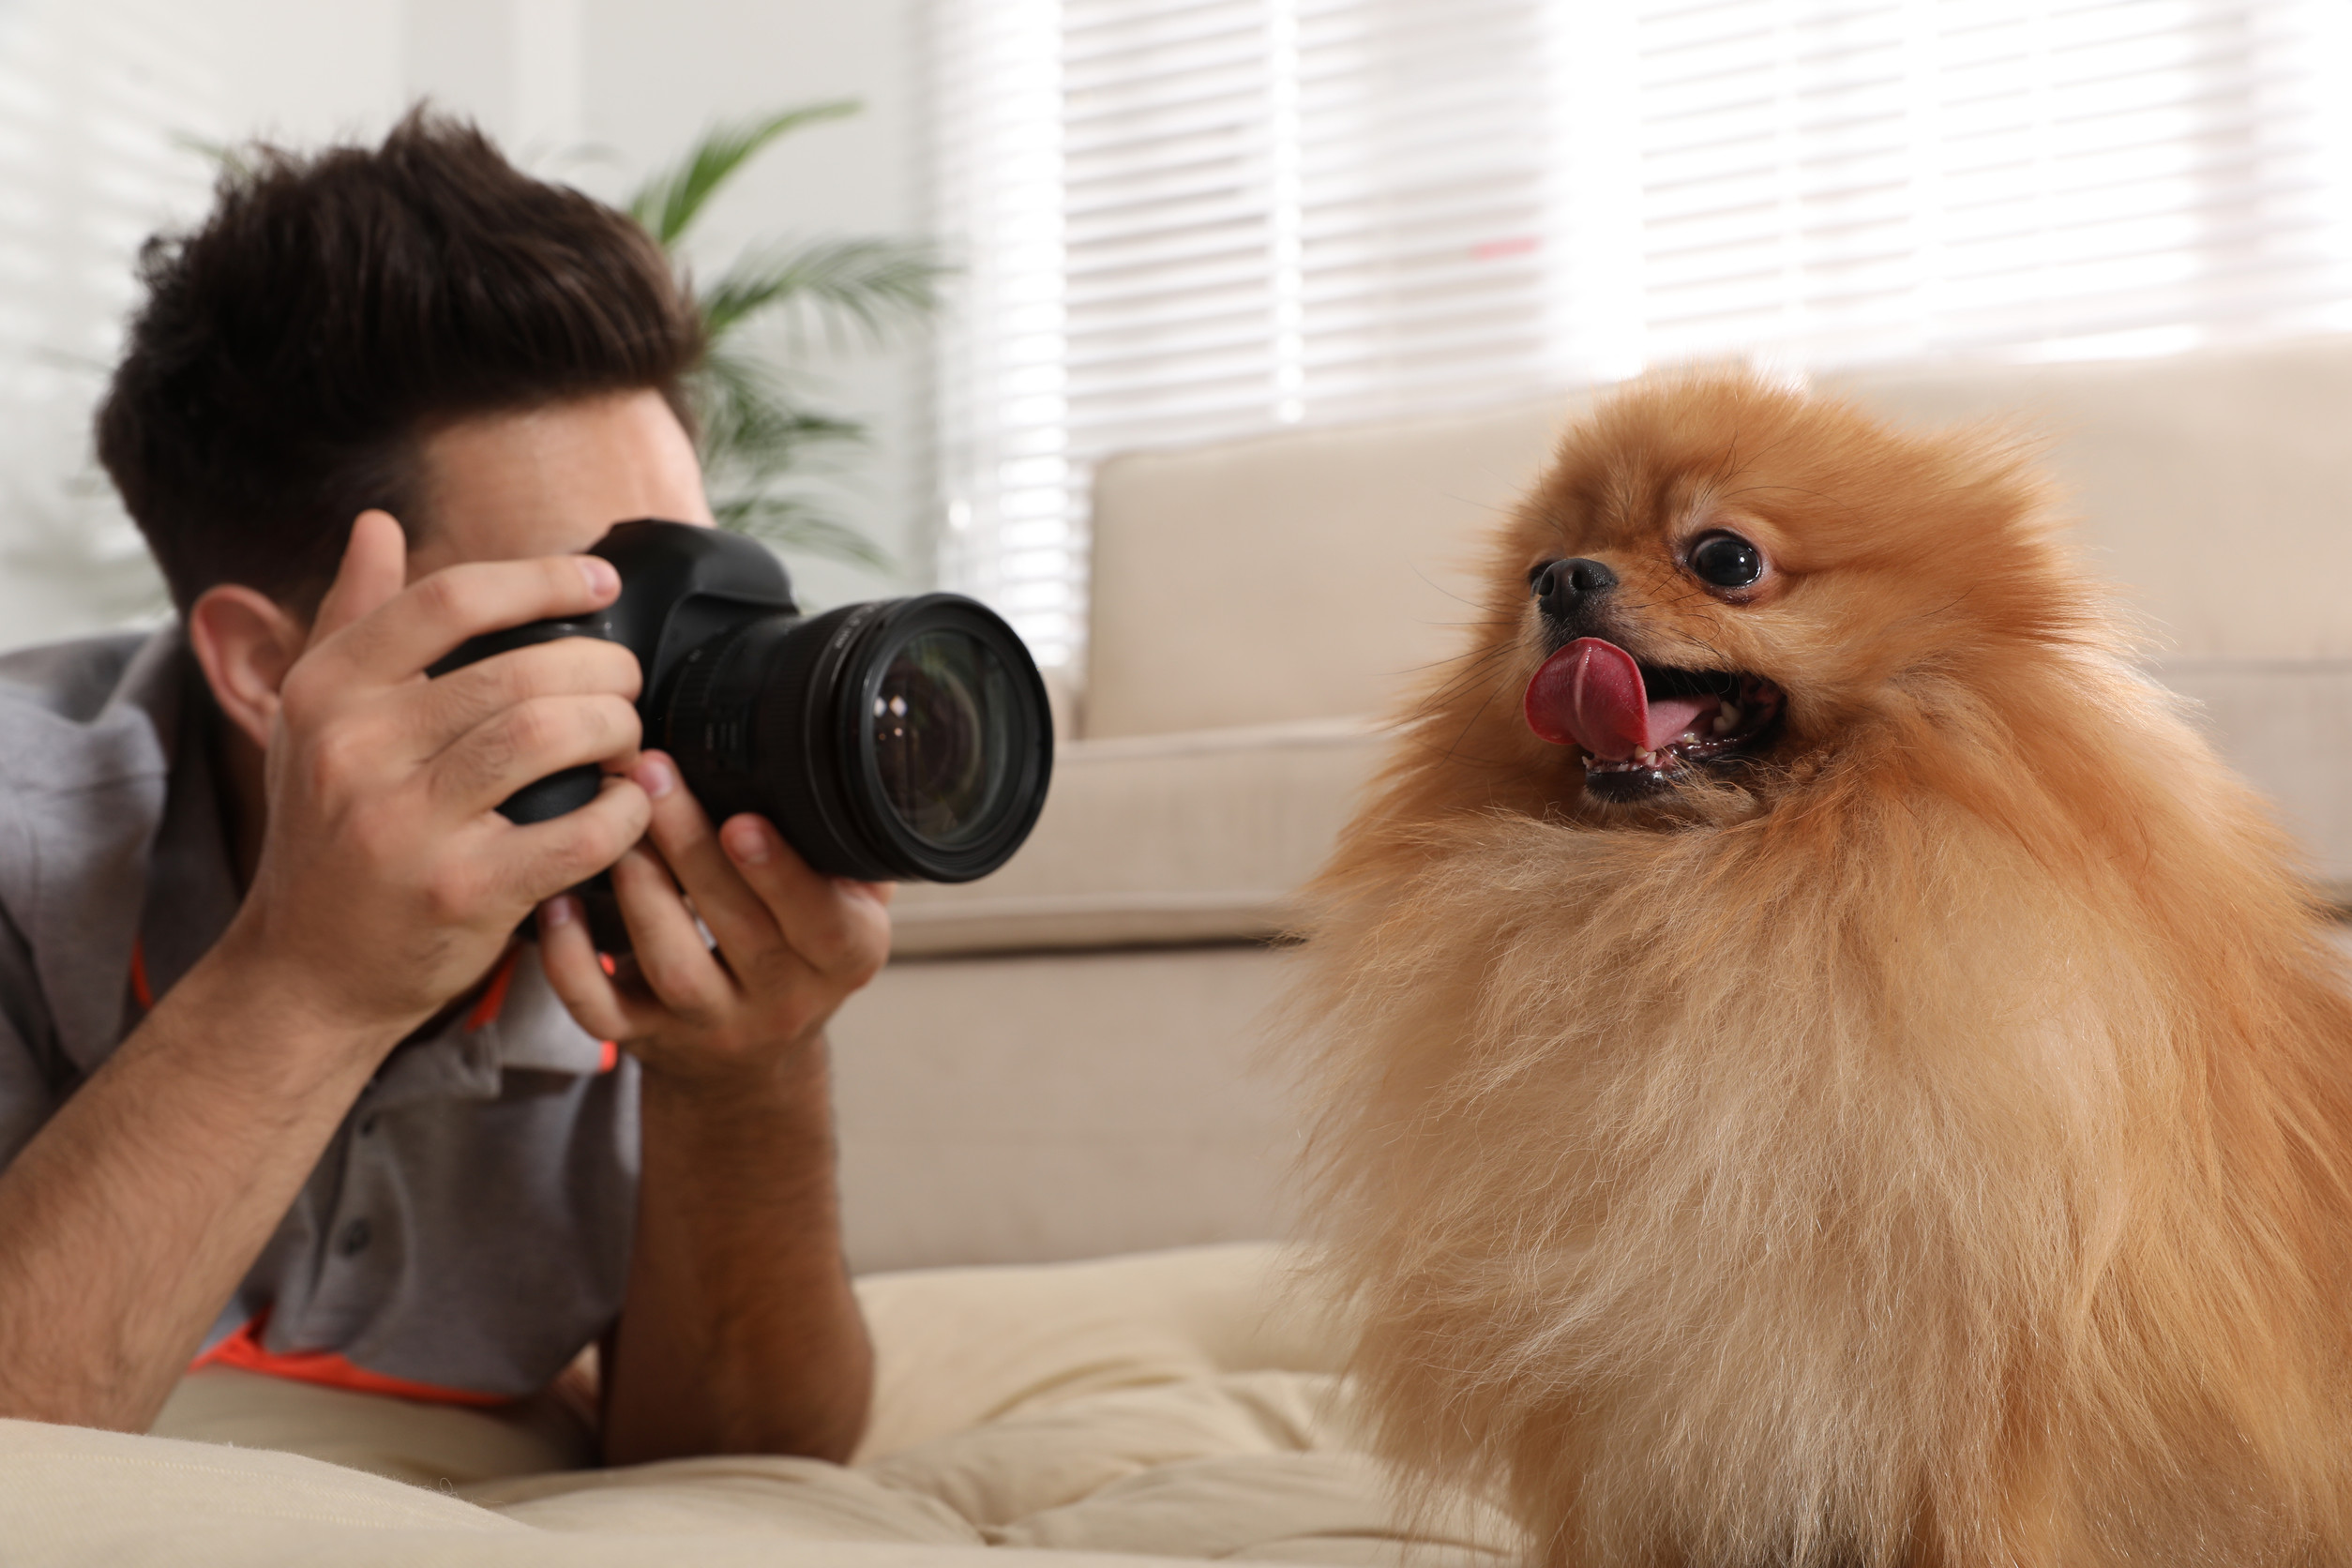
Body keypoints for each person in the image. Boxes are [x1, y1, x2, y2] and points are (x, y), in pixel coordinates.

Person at [0, 110, 889, 1466]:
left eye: (696, 584)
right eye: (582, 609)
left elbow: (744, 1467)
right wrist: (312, 980)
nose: (667, 686)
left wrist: (747, 1081)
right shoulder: (28, 835)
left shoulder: (649, 877)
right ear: (266, 666)